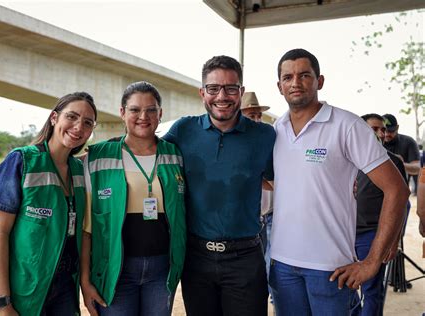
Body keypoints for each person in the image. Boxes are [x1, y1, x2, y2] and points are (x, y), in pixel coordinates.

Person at [269, 48, 409, 315]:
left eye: (304, 75)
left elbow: (397, 190)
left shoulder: (347, 125)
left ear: (319, 81)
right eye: (287, 77)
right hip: (283, 267)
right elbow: (281, 182)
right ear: (279, 86)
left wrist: (372, 261)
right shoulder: (276, 129)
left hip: (331, 269)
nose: (295, 82)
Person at [164, 56, 276, 316]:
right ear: (202, 92)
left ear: (241, 92)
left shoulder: (265, 136)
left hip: (246, 258)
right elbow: (145, 151)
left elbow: (285, 179)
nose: (222, 96)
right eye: (213, 88)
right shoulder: (183, 130)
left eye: (231, 88)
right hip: (196, 258)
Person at [0, 92, 98, 315]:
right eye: (72, 117)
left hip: (65, 286)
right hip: (21, 288)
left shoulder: (79, 170)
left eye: (87, 122)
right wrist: (2, 303)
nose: (78, 127)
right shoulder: (22, 161)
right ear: (54, 118)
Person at [80, 81, 186, 316]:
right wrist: (85, 281)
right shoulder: (97, 158)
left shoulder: (174, 154)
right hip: (114, 271)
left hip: (161, 270)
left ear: (160, 114)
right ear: (122, 112)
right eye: (135, 110)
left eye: (151, 110)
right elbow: (87, 229)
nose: (143, 116)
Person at [352, 113, 407, 316]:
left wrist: (393, 240)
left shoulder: (393, 162)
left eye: (382, 129)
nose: (381, 133)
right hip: (343, 234)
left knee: (372, 290)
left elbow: (401, 204)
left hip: (373, 235)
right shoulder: (346, 158)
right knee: (344, 288)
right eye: (374, 129)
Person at [240, 91, 274, 289]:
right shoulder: (233, 143)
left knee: (271, 262)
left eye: (258, 115)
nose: (256, 119)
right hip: (251, 219)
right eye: (251, 115)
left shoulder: (268, 138)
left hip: (272, 214)